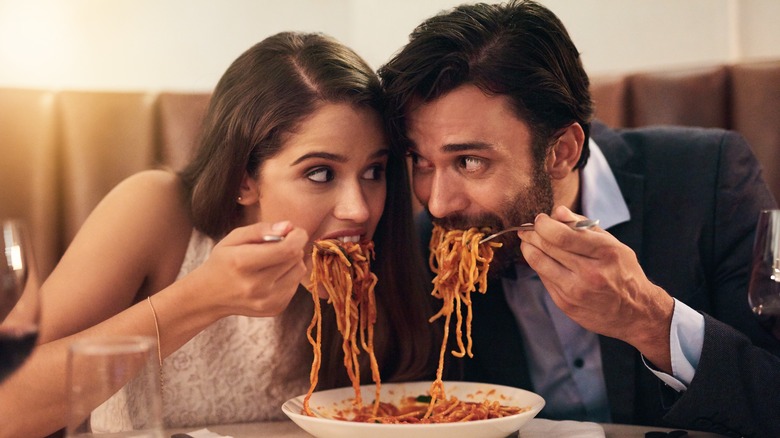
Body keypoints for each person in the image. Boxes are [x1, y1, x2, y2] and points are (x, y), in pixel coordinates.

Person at [0, 31, 437, 437]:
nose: (359, 208)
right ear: (243, 180)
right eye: (320, 173)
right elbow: (8, 406)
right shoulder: (155, 209)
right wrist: (202, 297)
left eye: (374, 172)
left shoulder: (393, 252)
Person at [379, 1, 780, 436]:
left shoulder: (708, 179)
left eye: (470, 161)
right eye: (419, 161)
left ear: (562, 151)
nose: (437, 204)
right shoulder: (425, 249)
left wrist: (649, 319)